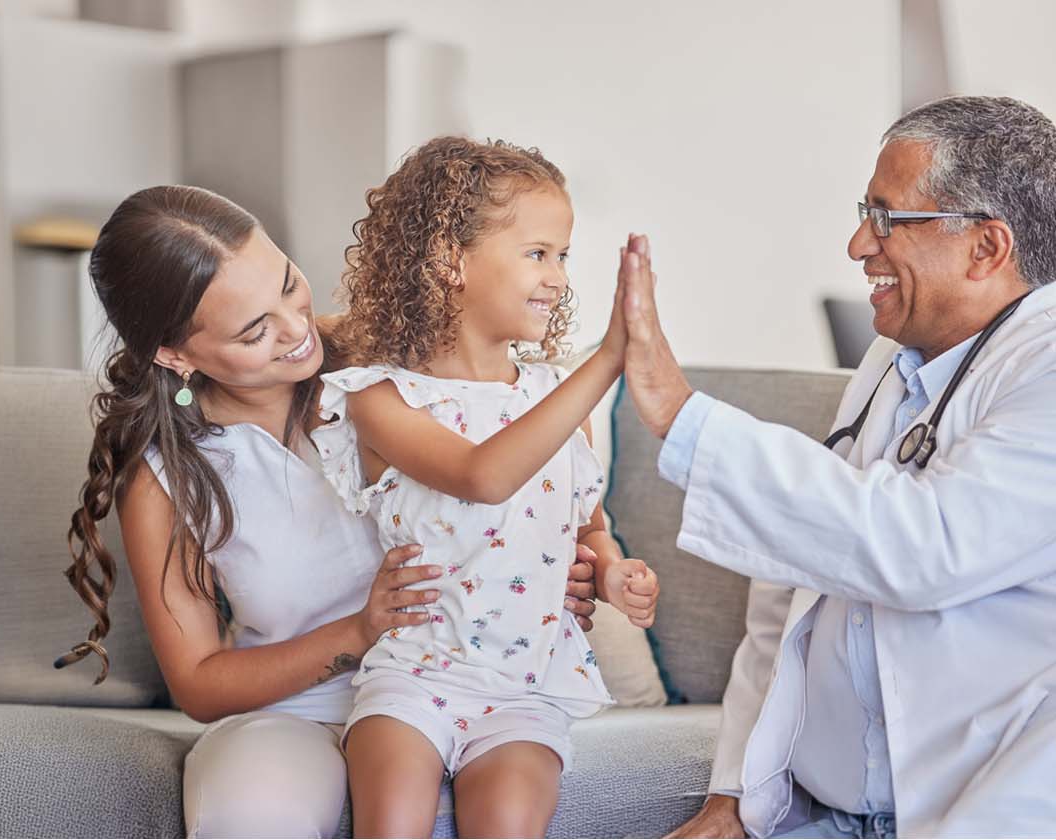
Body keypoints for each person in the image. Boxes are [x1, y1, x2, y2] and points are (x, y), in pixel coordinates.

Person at [57, 184, 602, 837]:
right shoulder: (167, 483)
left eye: (289, 285)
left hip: (469, 682)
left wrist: (569, 565)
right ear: (176, 356)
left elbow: (522, 444)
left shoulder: (391, 359)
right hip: (299, 712)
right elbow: (199, 684)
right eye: (255, 329)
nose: (296, 331)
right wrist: (356, 632)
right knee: (249, 818)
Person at [624, 96, 1056, 838]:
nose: (859, 243)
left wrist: (681, 415)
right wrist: (734, 796)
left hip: (969, 812)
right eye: (867, 212)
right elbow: (790, 583)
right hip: (825, 816)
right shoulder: (896, 360)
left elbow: (921, 547)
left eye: (888, 218)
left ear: (986, 248)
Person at [317, 136, 659, 837]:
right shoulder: (384, 398)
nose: (558, 278)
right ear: (450, 260)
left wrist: (613, 569)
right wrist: (610, 359)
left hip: (526, 692)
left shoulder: (557, 400)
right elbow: (483, 476)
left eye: (563, 256)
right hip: (413, 678)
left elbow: (587, 523)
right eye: (537, 254)